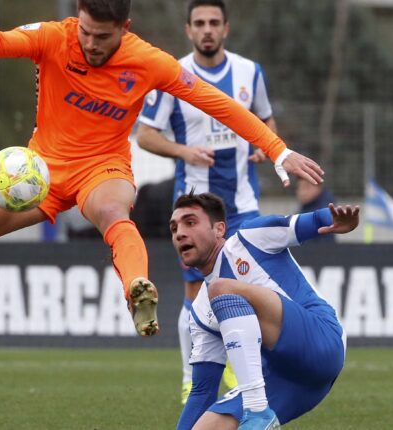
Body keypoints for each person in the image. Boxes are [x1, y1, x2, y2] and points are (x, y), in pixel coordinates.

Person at [0, 0, 324, 364]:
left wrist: (277, 150)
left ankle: (137, 290)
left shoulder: (148, 61)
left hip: (103, 167)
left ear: (125, 28)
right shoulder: (54, 37)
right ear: (77, 20)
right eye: (85, 32)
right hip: (43, 169)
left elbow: (218, 104)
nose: (90, 43)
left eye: (102, 36)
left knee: (111, 212)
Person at [135, 0, 276, 403]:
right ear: (188, 29)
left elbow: (266, 121)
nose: (207, 29)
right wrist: (183, 151)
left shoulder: (250, 72)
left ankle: (242, 375)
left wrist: (263, 147)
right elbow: (145, 135)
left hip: (244, 204)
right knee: (196, 294)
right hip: (196, 208)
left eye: (214, 22)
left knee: (245, 291)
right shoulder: (172, 75)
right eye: (200, 23)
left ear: (226, 28)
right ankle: (189, 377)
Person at [169, 192, 359, 429]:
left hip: (323, 341)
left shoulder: (250, 238)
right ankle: (257, 412)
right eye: (174, 228)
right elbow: (202, 390)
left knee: (221, 288)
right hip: (284, 380)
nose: (180, 233)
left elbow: (312, 222)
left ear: (219, 229)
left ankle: (258, 412)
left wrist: (336, 219)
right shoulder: (199, 313)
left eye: (190, 222)